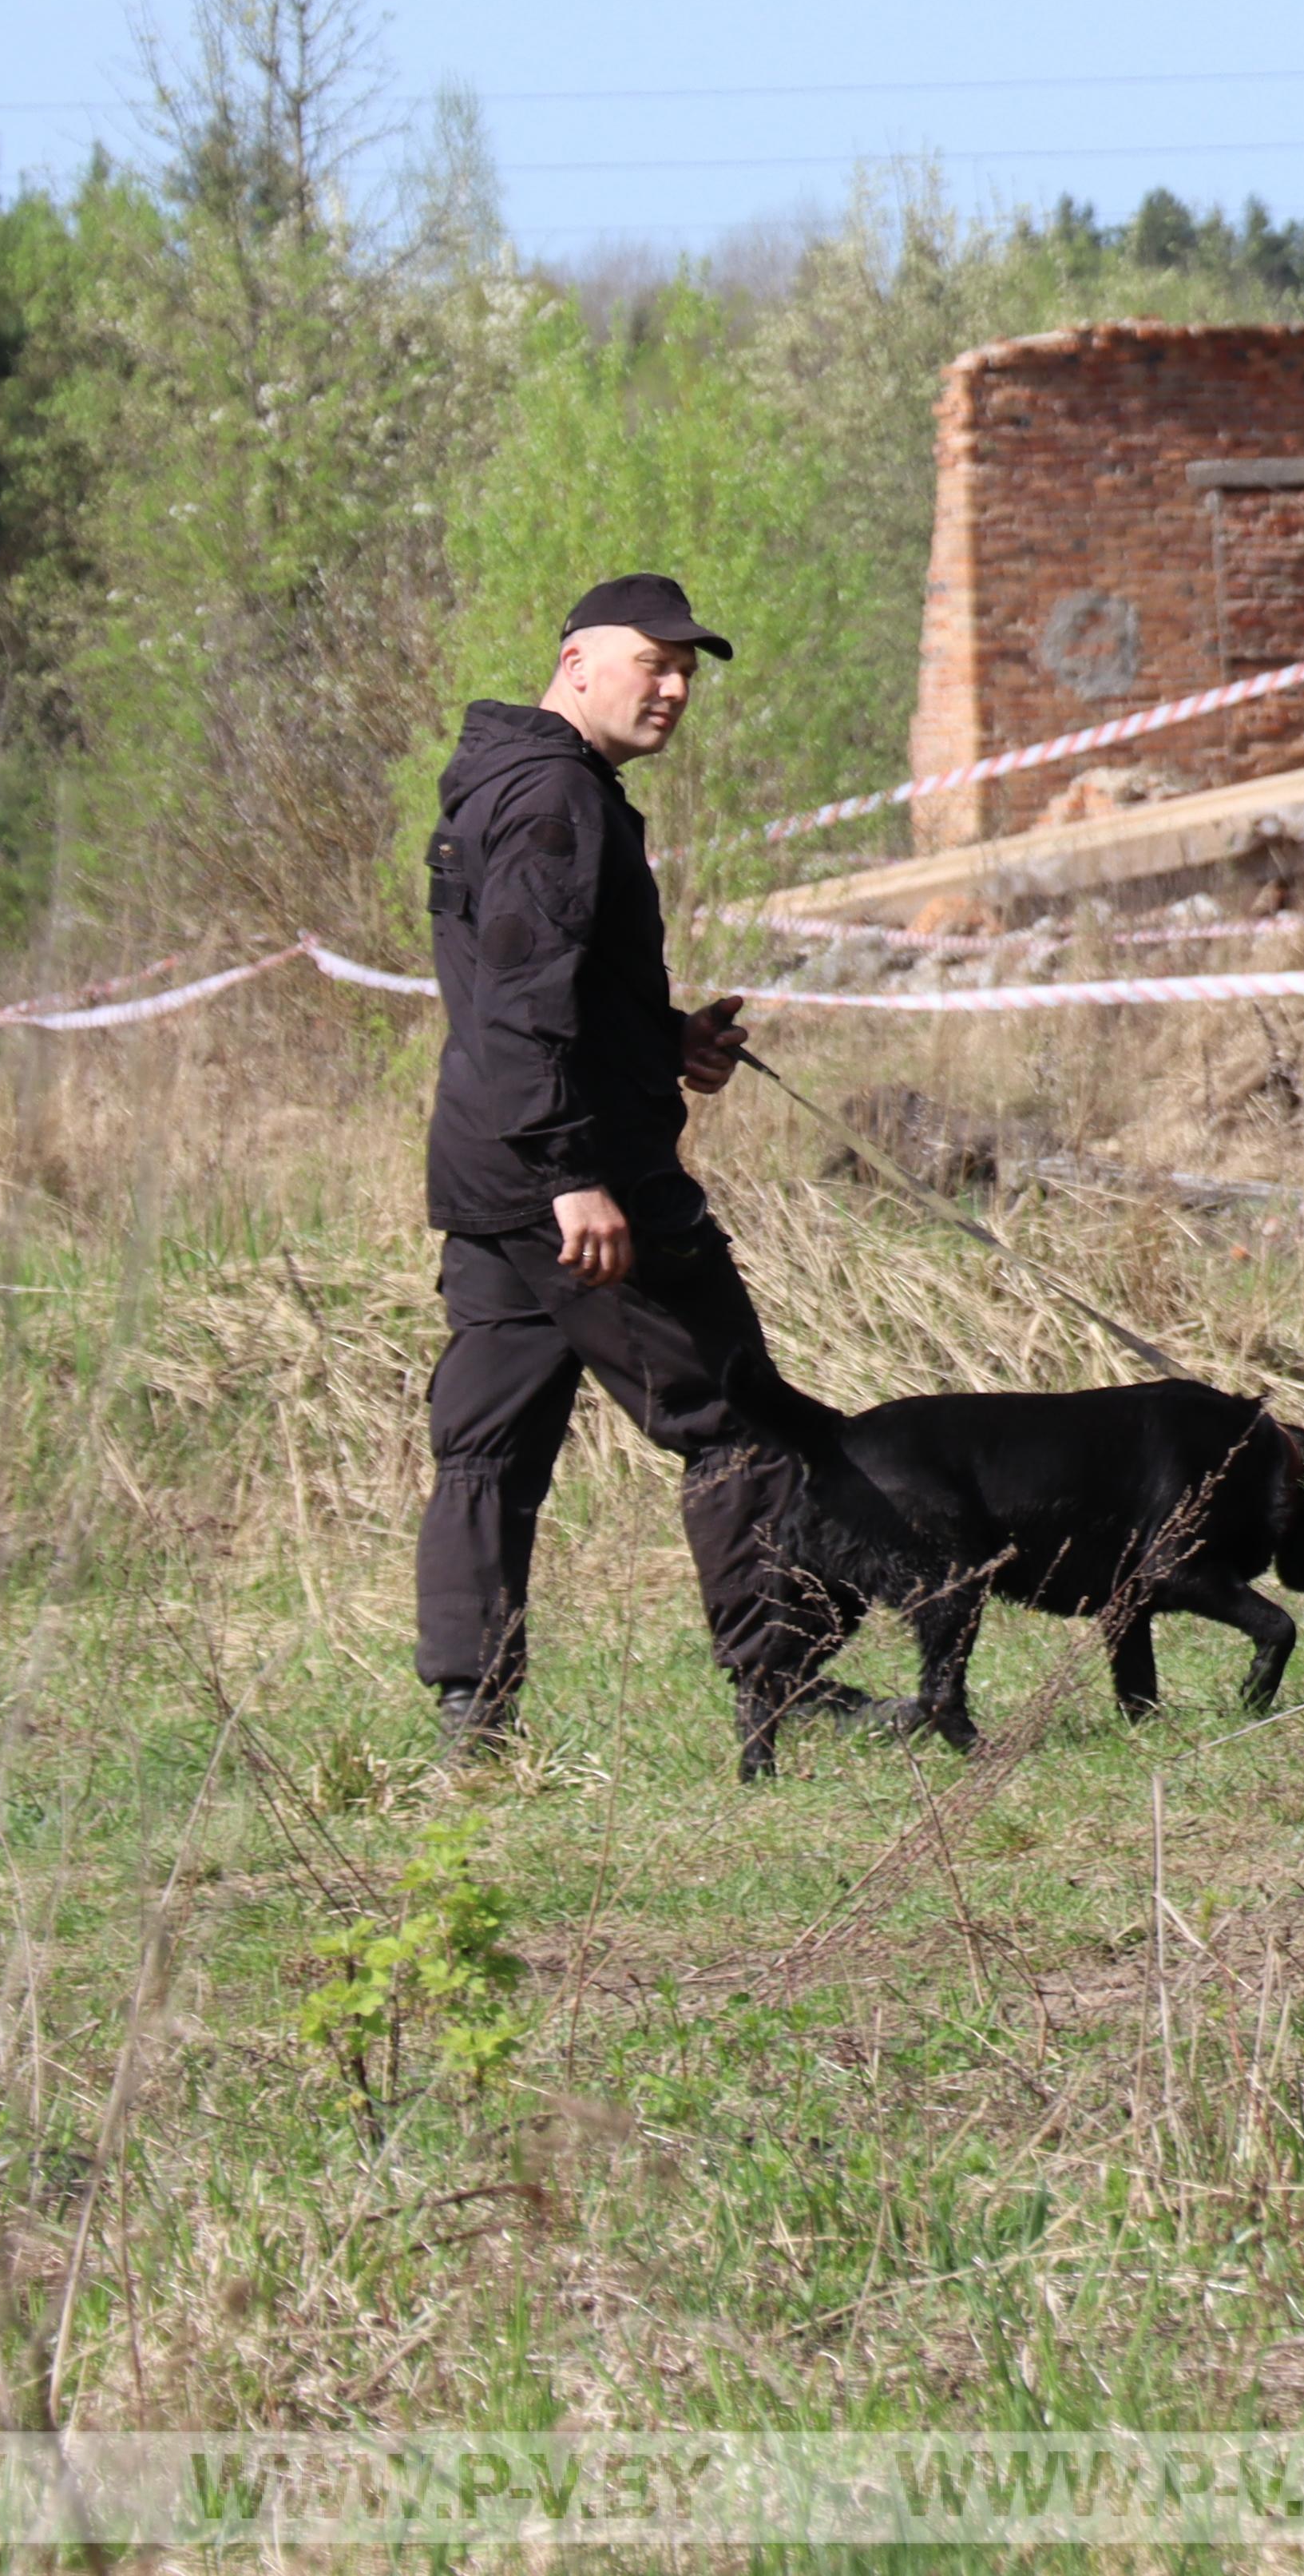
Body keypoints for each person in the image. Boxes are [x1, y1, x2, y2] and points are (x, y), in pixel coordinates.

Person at [415, 574, 864, 1773]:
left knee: (486, 1450)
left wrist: (663, 1038)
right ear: (574, 662)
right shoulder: (559, 798)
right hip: (576, 1185)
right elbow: (517, 1009)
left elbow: (535, 990)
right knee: (739, 1422)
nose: (671, 689)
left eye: (686, 672)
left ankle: (472, 1719)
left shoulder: (512, 783)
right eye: (648, 663)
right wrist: (575, 1174)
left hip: (490, 1172)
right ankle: (785, 1685)